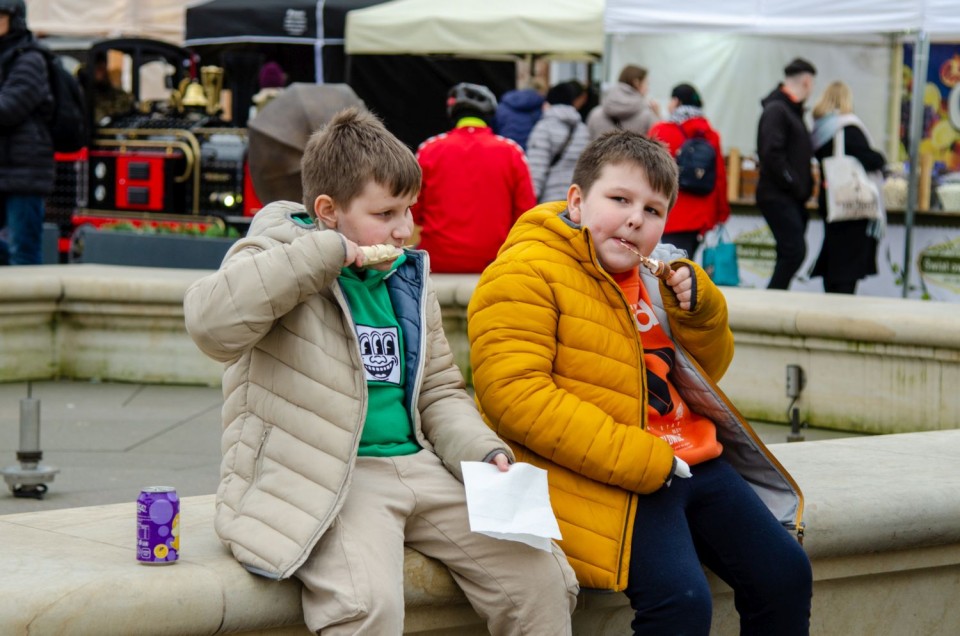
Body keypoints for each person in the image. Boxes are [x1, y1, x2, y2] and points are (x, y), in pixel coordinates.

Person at [183, 107, 578, 635]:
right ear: (328, 210)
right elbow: (210, 324)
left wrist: (484, 450)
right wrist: (325, 254)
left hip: (421, 467)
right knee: (366, 607)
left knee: (544, 579)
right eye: (386, 213)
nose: (404, 230)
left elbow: (439, 390)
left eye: (409, 210)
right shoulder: (272, 253)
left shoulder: (406, 276)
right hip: (333, 472)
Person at [468, 130, 812, 634]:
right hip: (614, 473)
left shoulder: (658, 274)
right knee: (681, 601)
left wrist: (702, 313)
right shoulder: (523, 272)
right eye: (620, 199)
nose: (636, 218)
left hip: (695, 461)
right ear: (578, 201)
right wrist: (644, 460)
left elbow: (709, 372)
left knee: (785, 574)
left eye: (653, 210)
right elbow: (513, 397)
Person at [412, 82, 536, 273]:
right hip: (495, 261)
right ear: (489, 115)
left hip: (437, 260)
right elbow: (525, 216)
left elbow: (412, 211)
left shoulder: (428, 149)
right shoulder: (512, 152)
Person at [810, 80, 887, 294]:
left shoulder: (819, 131)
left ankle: (831, 301)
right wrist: (881, 158)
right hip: (850, 205)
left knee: (834, 259)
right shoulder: (847, 129)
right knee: (847, 266)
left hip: (830, 202)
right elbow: (872, 160)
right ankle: (841, 312)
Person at [648, 83, 730, 258]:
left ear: (676, 101)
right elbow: (720, 178)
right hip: (702, 216)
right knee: (688, 264)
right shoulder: (711, 135)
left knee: (672, 269)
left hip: (670, 212)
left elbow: (647, 172)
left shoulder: (660, 131)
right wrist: (722, 213)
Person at [757, 57, 817, 290]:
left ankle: (775, 298)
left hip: (789, 196)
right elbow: (771, 154)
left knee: (789, 252)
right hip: (778, 194)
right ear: (806, 81)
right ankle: (772, 300)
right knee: (794, 251)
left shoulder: (790, 111)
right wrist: (794, 182)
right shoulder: (777, 110)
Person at [0, 0, 53, 266]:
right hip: (5, 169)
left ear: (15, 20)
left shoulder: (30, 58)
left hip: (24, 174)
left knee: (24, 252)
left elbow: (8, 109)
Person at [526, 79, 590, 203]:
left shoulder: (543, 128)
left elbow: (537, 168)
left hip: (549, 202)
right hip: (575, 201)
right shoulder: (583, 129)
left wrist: (531, 200)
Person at [586, 64, 660, 139]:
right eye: (646, 83)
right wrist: (657, 115)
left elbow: (587, 145)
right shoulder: (647, 115)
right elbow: (660, 140)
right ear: (636, 82)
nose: (648, 88)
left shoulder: (596, 113)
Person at [493, 79, 546, 150]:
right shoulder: (541, 108)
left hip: (505, 149)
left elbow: (495, 128)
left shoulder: (503, 106)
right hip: (529, 152)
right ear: (540, 91)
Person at [90, 51, 133, 125]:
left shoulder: (119, 95)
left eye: (102, 68)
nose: (100, 73)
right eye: (98, 69)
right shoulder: (86, 95)